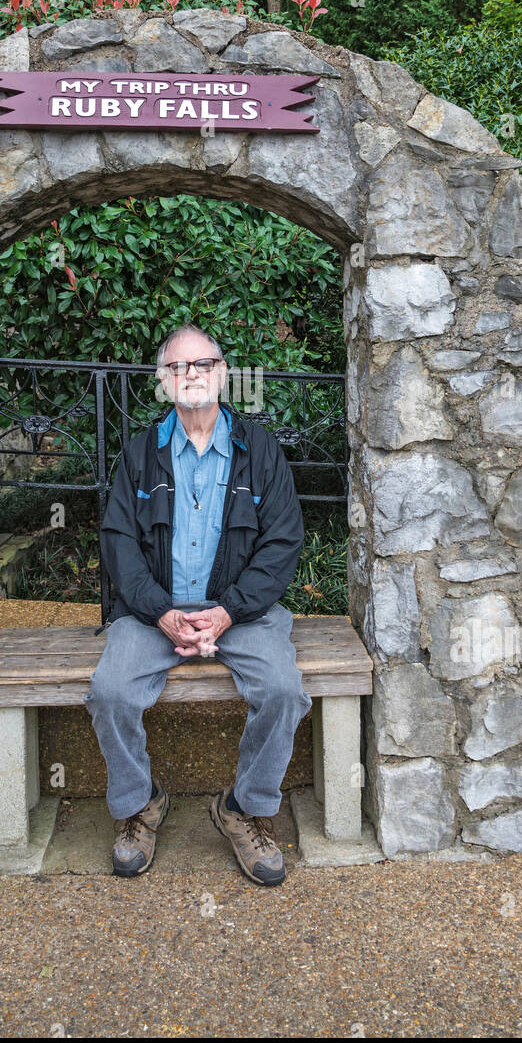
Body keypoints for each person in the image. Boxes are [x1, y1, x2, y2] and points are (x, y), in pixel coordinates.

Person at [83, 323, 311, 885]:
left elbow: (282, 542)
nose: (192, 375)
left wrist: (229, 610)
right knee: (110, 692)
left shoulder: (260, 451)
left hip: (240, 613)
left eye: (203, 364)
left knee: (284, 692)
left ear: (223, 374)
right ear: (163, 381)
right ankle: (140, 805)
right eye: (179, 367)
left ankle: (246, 808)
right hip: (152, 611)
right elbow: (119, 543)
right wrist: (161, 610)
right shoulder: (141, 455)